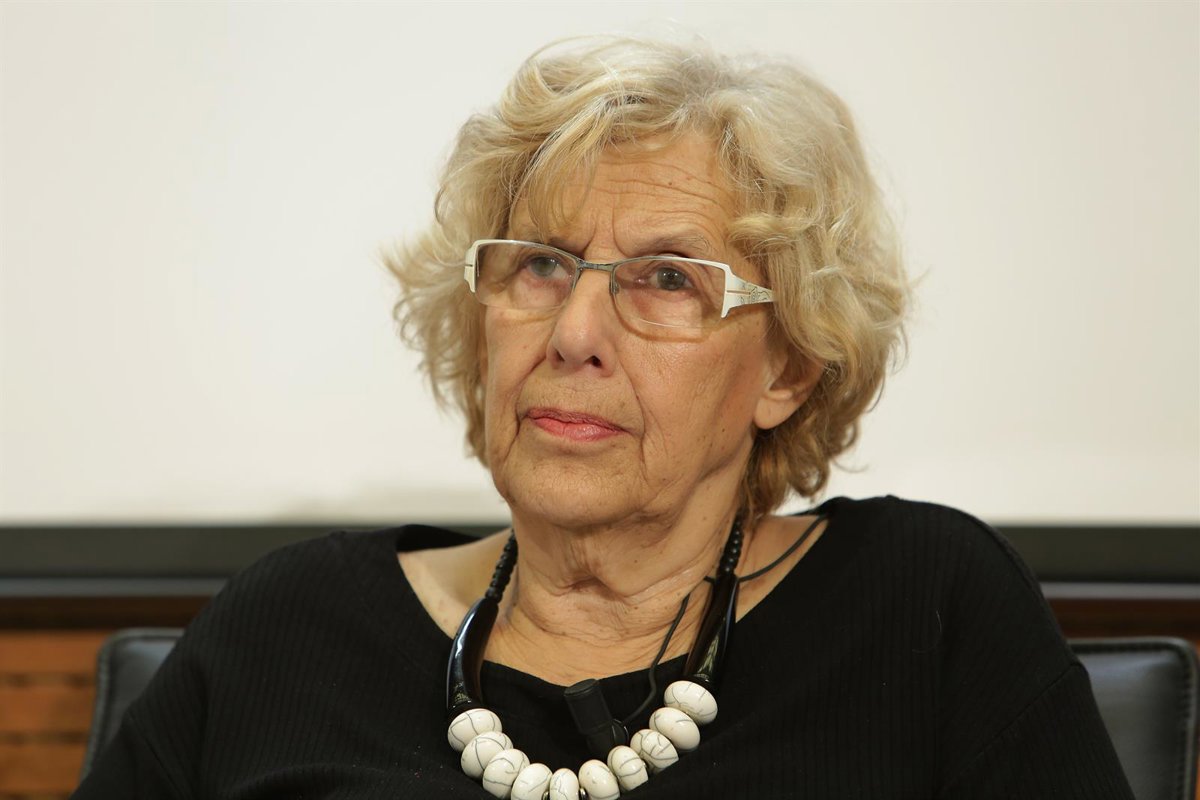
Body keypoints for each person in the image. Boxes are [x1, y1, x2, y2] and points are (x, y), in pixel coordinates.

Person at [74, 36, 1133, 799]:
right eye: (541, 265)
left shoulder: (927, 610)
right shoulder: (289, 626)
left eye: (668, 278)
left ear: (788, 367)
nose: (575, 331)